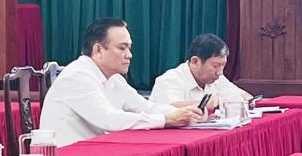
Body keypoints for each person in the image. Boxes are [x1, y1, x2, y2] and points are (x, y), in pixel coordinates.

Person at [39, 18, 204, 147]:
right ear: (98, 50)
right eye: (122, 48)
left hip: (94, 151)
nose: (129, 55)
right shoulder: (77, 76)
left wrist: (187, 114)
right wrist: (167, 119)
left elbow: (146, 107)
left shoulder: (114, 78)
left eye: (129, 48)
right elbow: (110, 119)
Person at [149, 33, 251, 111]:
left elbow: (244, 95)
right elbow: (171, 108)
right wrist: (213, 102)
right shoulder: (169, 80)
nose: (220, 72)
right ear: (195, 61)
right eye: (215, 66)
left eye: (223, 65)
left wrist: (246, 99)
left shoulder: (217, 78)